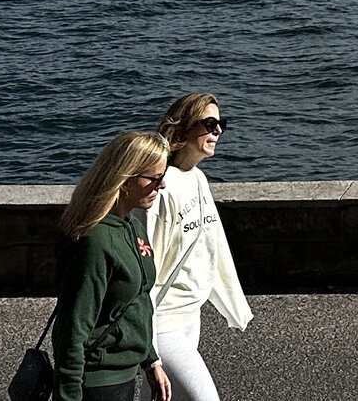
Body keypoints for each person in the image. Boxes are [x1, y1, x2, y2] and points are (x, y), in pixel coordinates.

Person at [53, 131, 173, 401]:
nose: (162, 186)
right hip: (98, 382)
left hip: (126, 373)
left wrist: (150, 361)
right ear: (125, 179)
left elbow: (136, 302)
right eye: (155, 178)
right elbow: (72, 327)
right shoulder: (94, 241)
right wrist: (68, 394)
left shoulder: (132, 226)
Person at [150, 93, 252, 401]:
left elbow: (213, 246)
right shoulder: (160, 185)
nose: (218, 130)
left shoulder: (198, 179)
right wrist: (147, 347)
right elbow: (144, 262)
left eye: (221, 123)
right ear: (182, 129)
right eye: (209, 123)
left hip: (191, 315)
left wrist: (231, 302)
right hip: (161, 321)